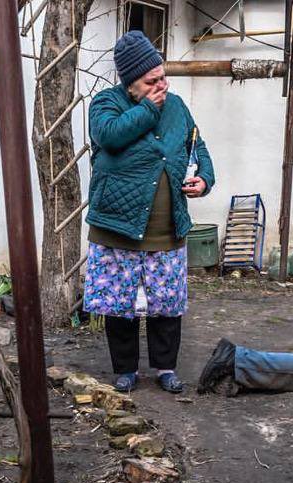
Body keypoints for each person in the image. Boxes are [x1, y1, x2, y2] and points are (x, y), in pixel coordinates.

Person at [83, 30, 215, 394]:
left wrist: (204, 177)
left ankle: (165, 369)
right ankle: (125, 370)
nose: (162, 85)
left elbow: (196, 145)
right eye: (151, 80)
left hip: (167, 229)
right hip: (117, 227)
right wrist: (147, 109)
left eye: (163, 77)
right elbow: (108, 136)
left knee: (166, 304)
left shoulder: (177, 107)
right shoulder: (105, 104)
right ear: (130, 83)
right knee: (119, 304)